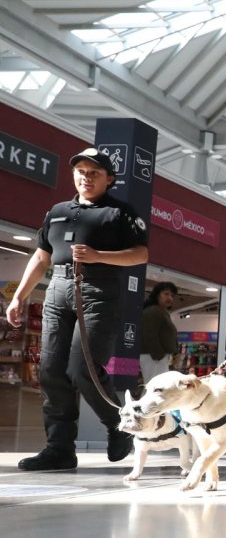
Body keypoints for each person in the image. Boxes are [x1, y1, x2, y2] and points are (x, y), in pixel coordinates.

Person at [4, 148, 148, 471]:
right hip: (57, 289)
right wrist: (19, 296)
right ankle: (59, 449)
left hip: (99, 291)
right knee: (51, 371)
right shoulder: (56, 212)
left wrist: (99, 256)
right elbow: (41, 257)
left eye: (94, 173)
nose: (86, 177)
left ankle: (118, 424)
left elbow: (140, 254)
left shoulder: (120, 213)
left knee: (82, 369)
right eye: (80, 171)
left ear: (109, 179)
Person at [139, 281, 178, 381]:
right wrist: (158, 355)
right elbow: (149, 334)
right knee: (156, 386)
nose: (169, 298)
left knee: (156, 387)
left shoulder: (162, 311)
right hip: (153, 357)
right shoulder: (153, 311)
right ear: (157, 295)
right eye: (166, 294)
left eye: (172, 295)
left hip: (156, 357)